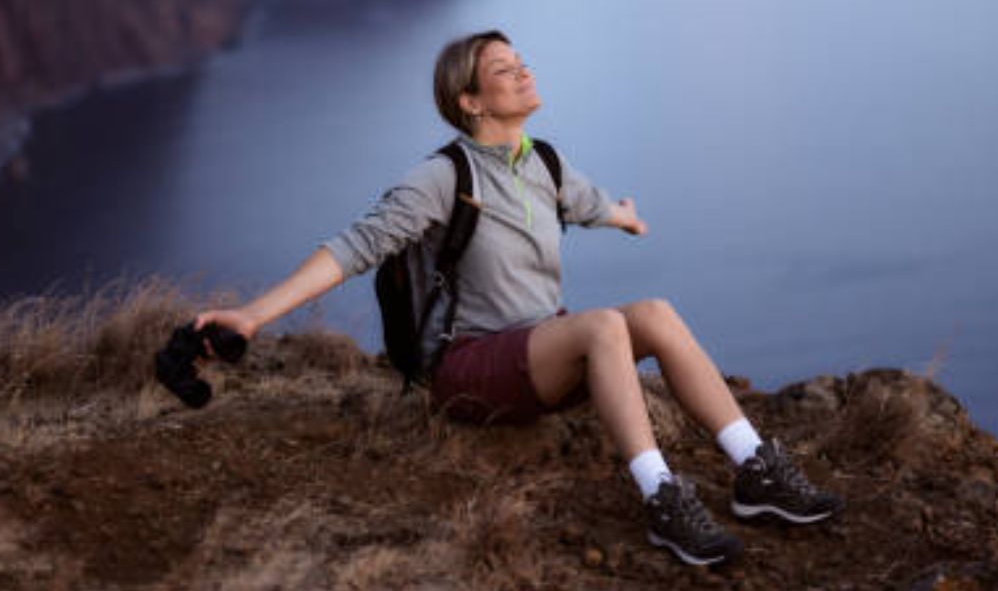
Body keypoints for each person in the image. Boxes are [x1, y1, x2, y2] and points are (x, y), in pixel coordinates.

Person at [192, 30, 843, 566]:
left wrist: (624, 217)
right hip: (468, 369)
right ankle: (662, 500)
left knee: (654, 313)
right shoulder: (443, 177)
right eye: (504, 70)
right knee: (601, 330)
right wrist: (251, 316)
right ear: (470, 101)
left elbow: (589, 205)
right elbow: (353, 246)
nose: (523, 73)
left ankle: (756, 471)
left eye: (521, 62)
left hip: (536, 355)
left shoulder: (543, 164)